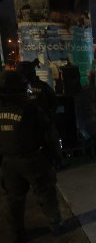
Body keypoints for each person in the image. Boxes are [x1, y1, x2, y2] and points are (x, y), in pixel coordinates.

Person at [0, 70, 63, 242]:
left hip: (8, 162)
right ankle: (55, 224)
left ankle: (16, 233)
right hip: (33, 158)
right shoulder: (31, 109)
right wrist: (56, 156)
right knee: (46, 192)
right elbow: (49, 134)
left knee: (14, 199)